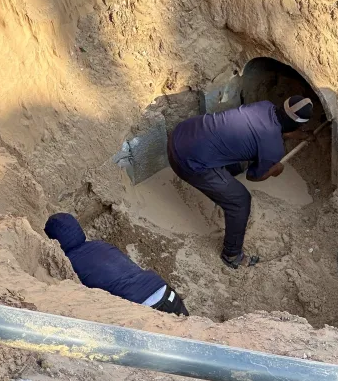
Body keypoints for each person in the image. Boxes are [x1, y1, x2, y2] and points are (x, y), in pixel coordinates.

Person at [168, 96, 313, 268]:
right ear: (297, 125)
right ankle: (232, 255)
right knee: (240, 201)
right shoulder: (273, 149)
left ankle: (222, 183)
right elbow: (254, 176)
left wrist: (300, 135)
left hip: (182, 133)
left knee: (238, 161)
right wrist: (275, 170)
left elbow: (275, 127)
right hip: (187, 162)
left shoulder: (264, 105)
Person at [44, 213, 188, 315]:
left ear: (55, 241)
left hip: (142, 305)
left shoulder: (69, 262)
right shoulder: (101, 245)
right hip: (163, 290)